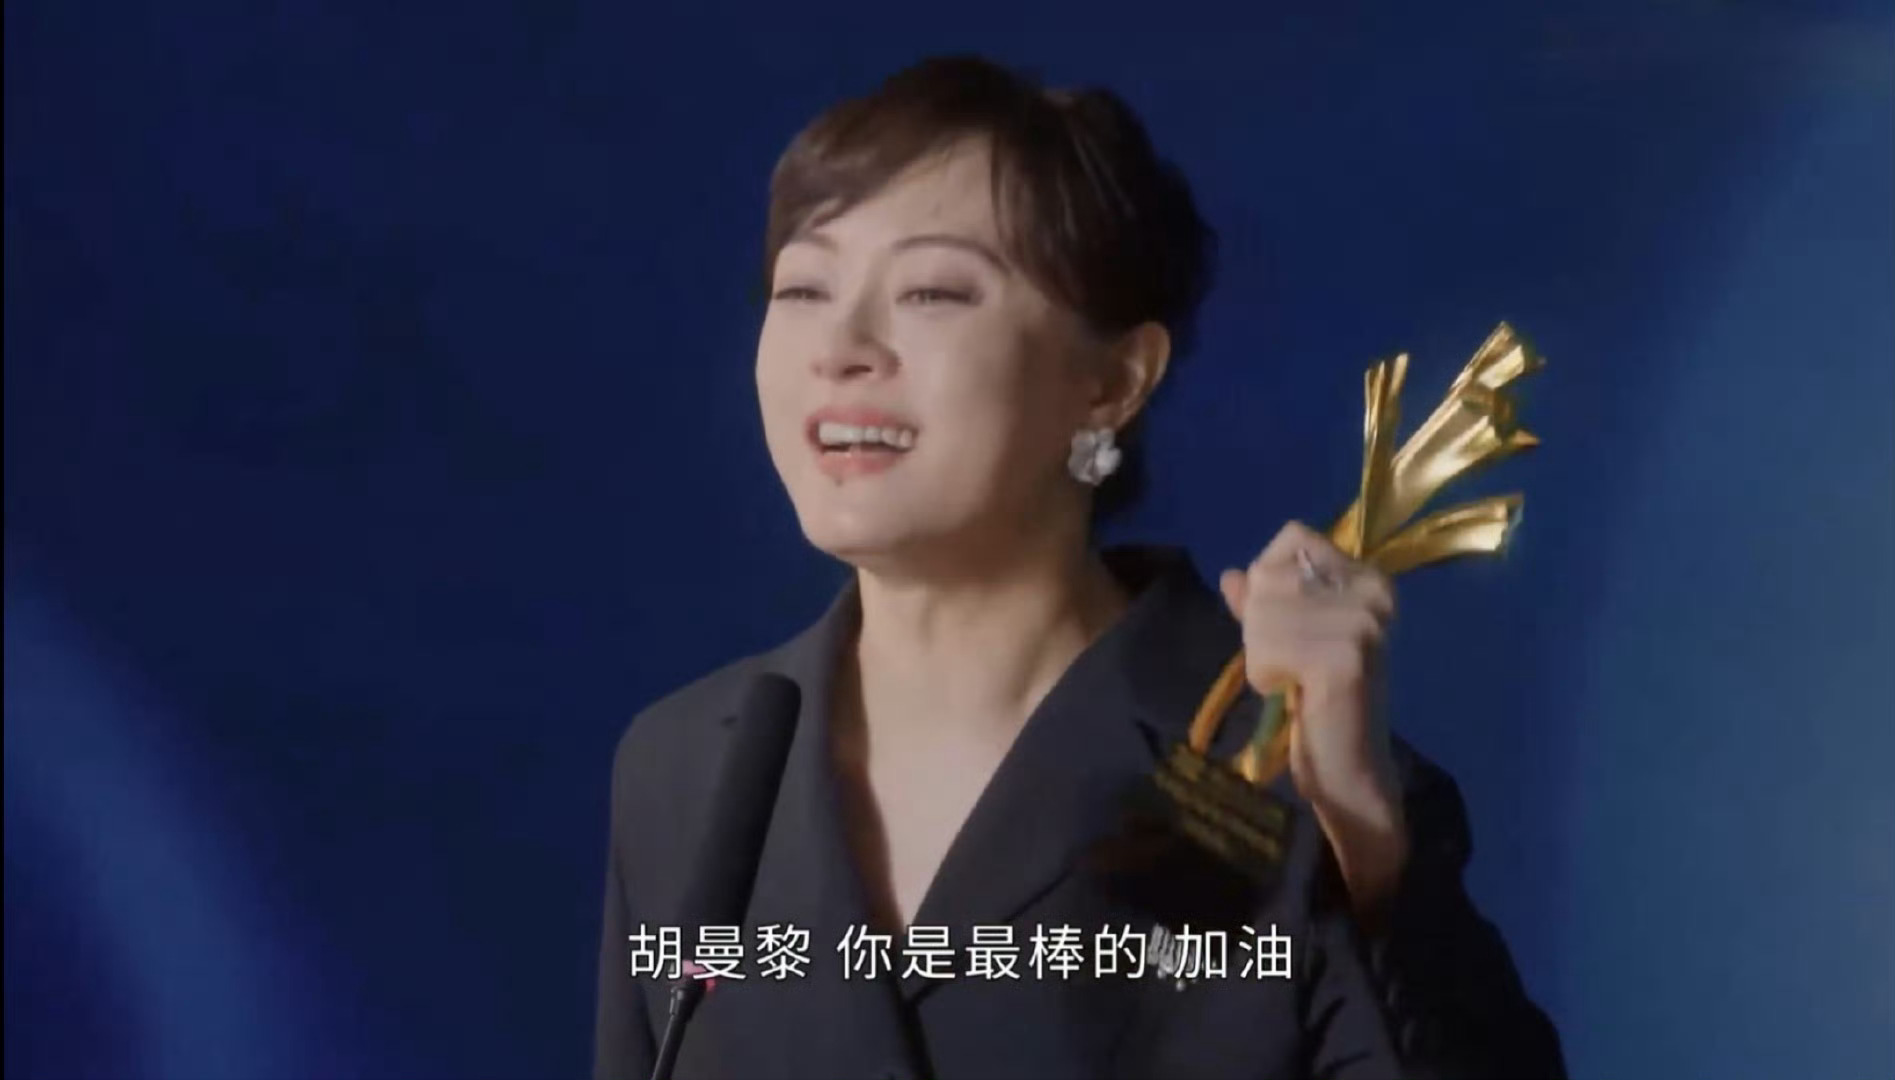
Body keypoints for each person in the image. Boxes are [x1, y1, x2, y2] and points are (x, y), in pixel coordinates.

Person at [594, 55, 1565, 1080]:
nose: (839, 347)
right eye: (802, 287)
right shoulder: (684, 767)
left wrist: (1364, 848)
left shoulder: (1289, 769)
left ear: (1111, 381)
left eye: (931, 291)